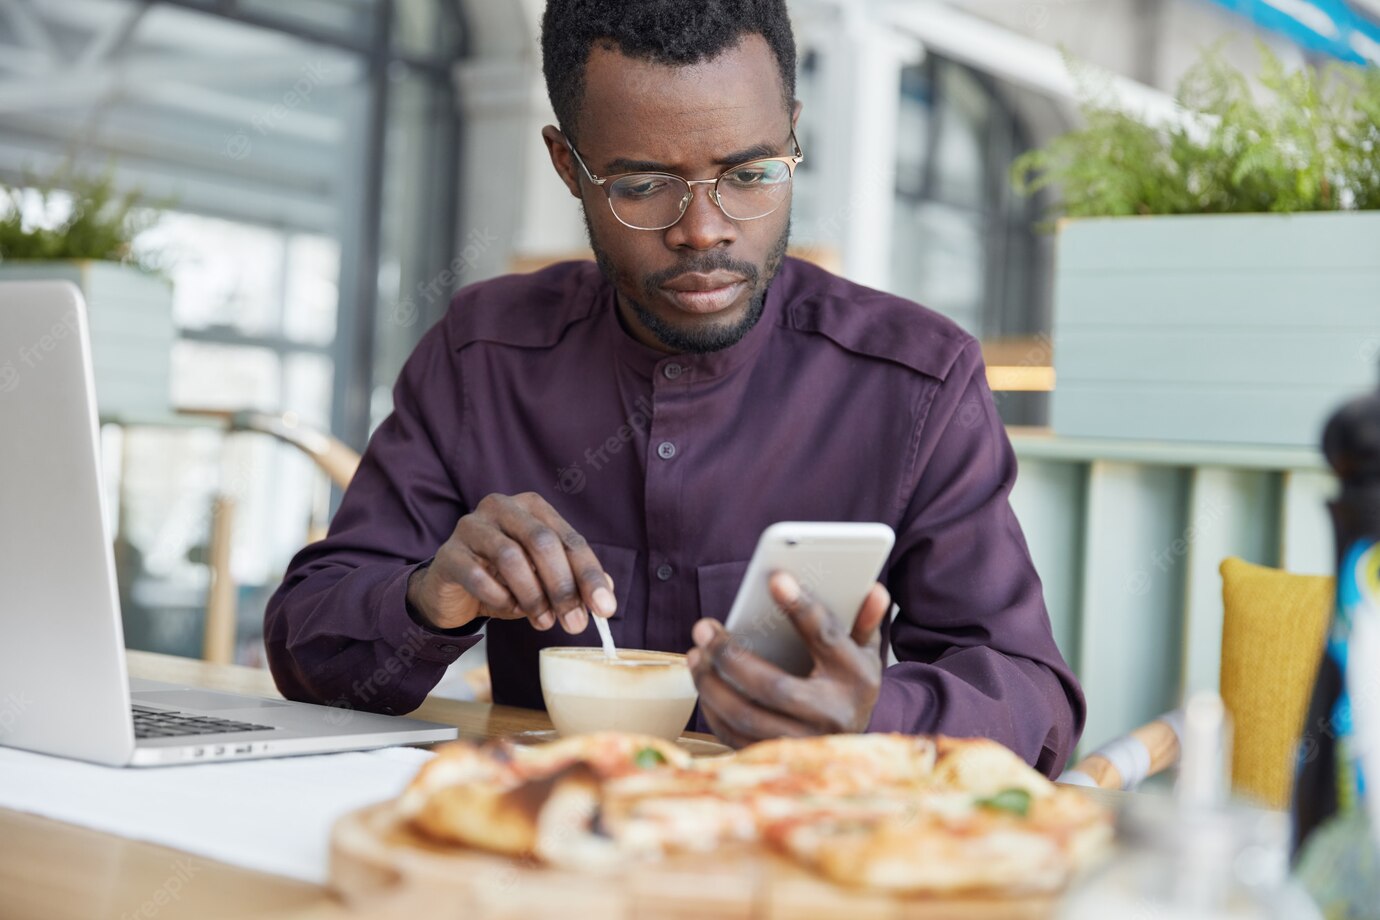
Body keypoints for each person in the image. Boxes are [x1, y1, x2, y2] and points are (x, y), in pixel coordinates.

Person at [264, 0, 1085, 775]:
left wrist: (872, 716)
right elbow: (309, 648)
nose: (705, 229)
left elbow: (1034, 701)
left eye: (752, 172)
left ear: (792, 136)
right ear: (568, 167)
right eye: (643, 185)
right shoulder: (481, 356)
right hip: (537, 850)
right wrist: (428, 597)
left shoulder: (917, 382)